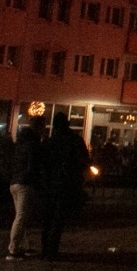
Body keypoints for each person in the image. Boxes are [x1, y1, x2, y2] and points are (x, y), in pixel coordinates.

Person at [40, 111, 91, 261]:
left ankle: (45, 249)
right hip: (67, 184)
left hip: (51, 184)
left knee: (48, 219)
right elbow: (83, 161)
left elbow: (43, 165)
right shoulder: (75, 141)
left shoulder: (49, 142)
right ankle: (52, 250)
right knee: (58, 219)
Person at [8, 122, 43, 258]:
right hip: (25, 184)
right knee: (22, 216)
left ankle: (23, 245)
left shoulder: (19, 147)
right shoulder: (32, 147)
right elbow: (32, 167)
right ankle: (13, 248)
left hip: (14, 183)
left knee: (21, 216)